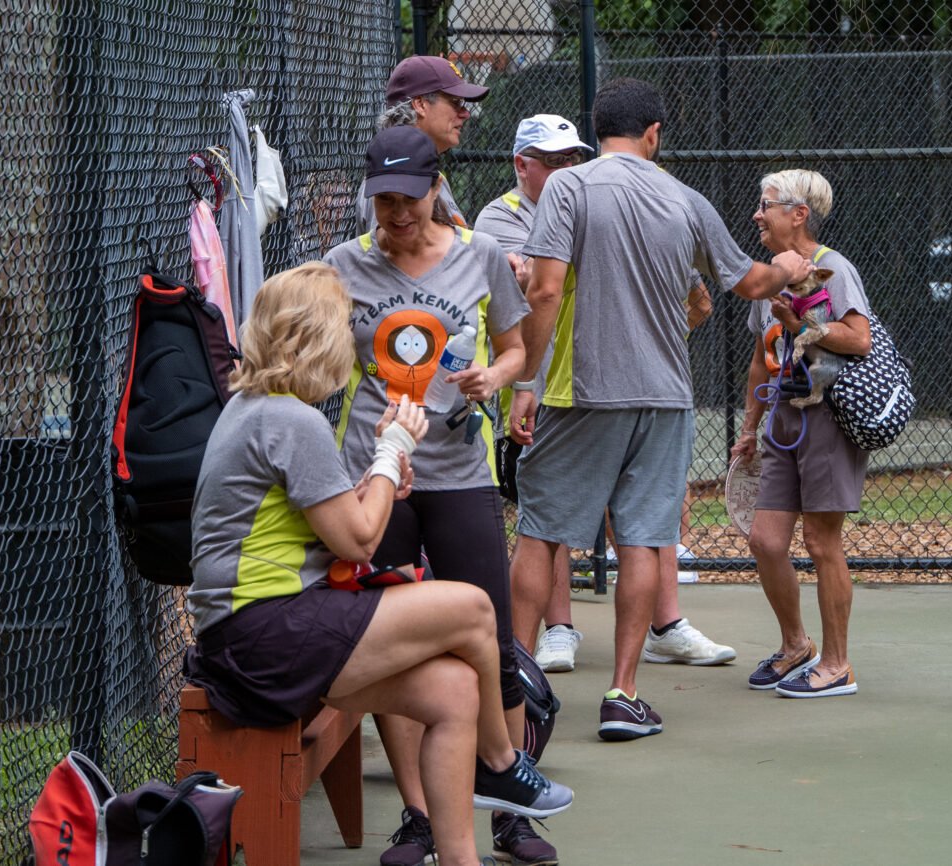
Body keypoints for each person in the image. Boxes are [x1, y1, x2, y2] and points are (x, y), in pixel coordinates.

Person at [184, 262, 572, 866]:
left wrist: (380, 475)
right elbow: (360, 542)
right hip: (263, 633)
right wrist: (392, 450)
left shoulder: (255, 407)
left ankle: (461, 856)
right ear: (319, 339)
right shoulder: (290, 418)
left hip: (253, 633)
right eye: (342, 328)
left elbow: (332, 520)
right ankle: (499, 766)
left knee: (453, 689)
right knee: (472, 608)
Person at [507, 77, 814, 742]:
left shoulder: (569, 187)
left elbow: (545, 289)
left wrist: (525, 379)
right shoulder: (685, 198)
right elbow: (748, 282)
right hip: (666, 398)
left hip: (587, 392)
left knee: (540, 531)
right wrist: (789, 264)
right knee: (645, 538)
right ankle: (623, 694)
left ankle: (513, 696)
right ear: (653, 135)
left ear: (601, 131)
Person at [324, 126, 567, 866]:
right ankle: (422, 816)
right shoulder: (343, 265)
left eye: (408, 199)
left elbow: (520, 345)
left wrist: (497, 379)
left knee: (490, 638)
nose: (395, 215)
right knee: (393, 647)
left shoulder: (481, 255)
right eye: (383, 201)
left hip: (459, 466)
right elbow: (321, 356)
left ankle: (507, 807)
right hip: (377, 475)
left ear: (436, 190)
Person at [731, 169, 870, 698]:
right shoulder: (765, 276)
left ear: (798, 214)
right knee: (765, 539)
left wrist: (800, 326)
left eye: (765, 204)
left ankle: (838, 665)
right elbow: (759, 364)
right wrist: (750, 428)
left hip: (829, 417)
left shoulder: (835, 269)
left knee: (820, 540)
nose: (756, 215)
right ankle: (797, 646)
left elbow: (859, 340)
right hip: (783, 419)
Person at [474, 113, 593, 678]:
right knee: (539, 510)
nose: (568, 170)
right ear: (523, 165)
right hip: (527, 384)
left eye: (574, 160)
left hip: (580, 378)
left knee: (565, 504)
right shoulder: (498, 218)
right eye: (555, 162)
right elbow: (524, 289)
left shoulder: (580, 207)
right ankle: (551, 630)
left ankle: (656, 625)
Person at [356, 54, 489, 234]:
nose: (465, 113)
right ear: (420, 104)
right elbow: (391, 259)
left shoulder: (433, 175)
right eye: (455, 102)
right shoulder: (388, 179)